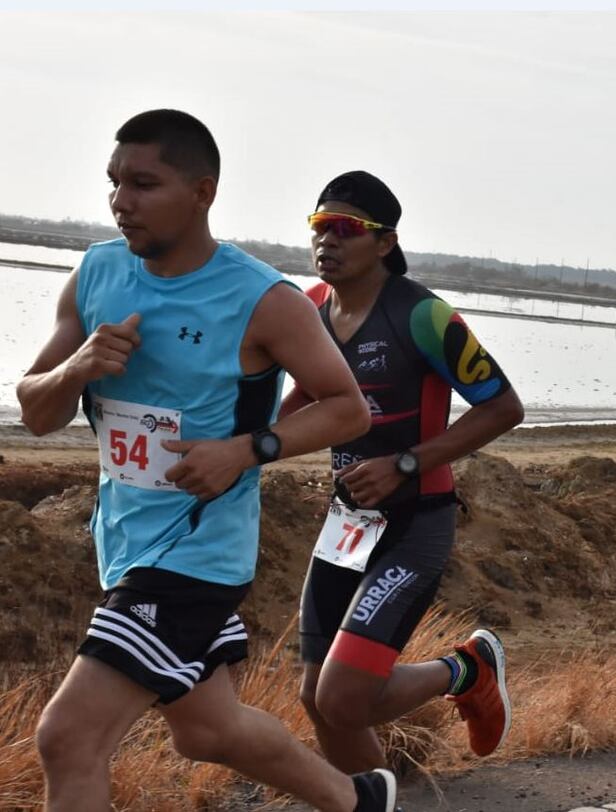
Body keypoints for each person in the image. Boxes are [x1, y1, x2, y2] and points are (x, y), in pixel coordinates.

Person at [17, 110, 403, 812]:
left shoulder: (264, 299)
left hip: (195, 556)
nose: (120, 201)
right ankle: (358, 800)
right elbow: (35, 411)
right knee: (207, 730)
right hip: (124, 545)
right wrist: (78, 367)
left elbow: (348, 408)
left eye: (143, 183)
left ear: (202, 191)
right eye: (113, 183)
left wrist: (246, 451)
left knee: (67, 739)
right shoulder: (98, 273)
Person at [280, 171, 525, 775]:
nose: (326, 241)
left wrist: (406, 463)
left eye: (345, 229)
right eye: (319, 226)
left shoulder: (423, 316)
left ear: (384, 242)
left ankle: (467, 669)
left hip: (415, 523)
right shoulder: (308, 309)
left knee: (344, 696)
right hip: (346, 525)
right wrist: (236, 450)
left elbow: (504, 407)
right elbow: (301, 406)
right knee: (316, 699)